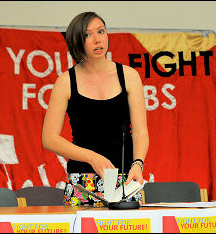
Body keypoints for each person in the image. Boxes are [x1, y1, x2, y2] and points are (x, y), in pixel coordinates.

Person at [42, 12, 149, 206]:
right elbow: (49, 138)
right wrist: (91, 157)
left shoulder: (129, 76)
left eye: (101, 31)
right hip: (82, 182)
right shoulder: (66, 81)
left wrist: (138, 164)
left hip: (125, 181)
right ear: (77, 41)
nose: (97, 39)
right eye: (87, 35)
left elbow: (141, 131)